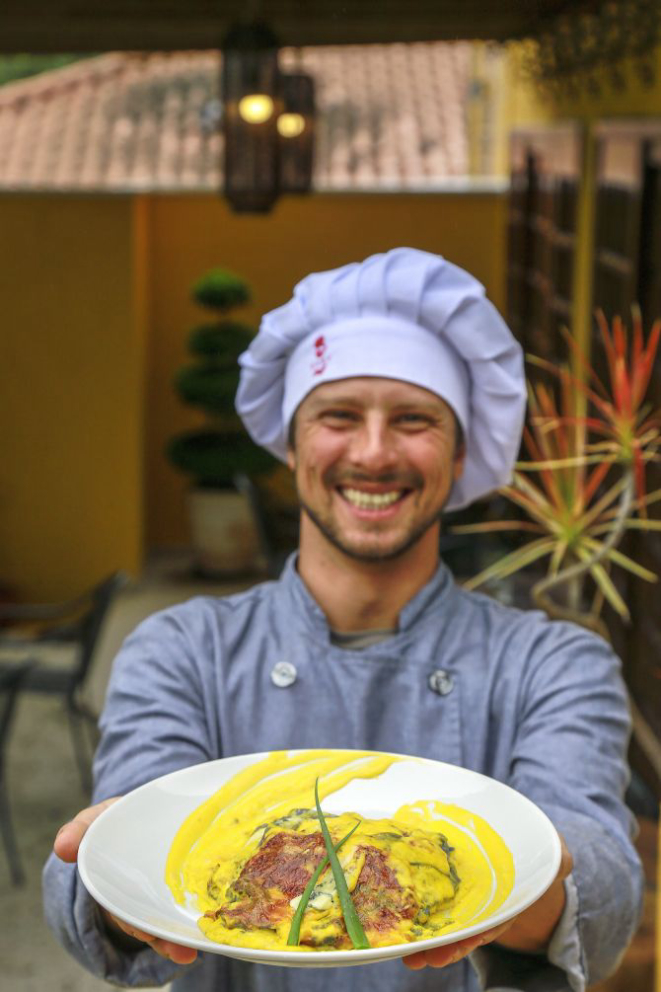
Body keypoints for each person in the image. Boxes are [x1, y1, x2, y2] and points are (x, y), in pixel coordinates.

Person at [43, 248, 643, 992]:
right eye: (337, 416)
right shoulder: (182, 648)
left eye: (414, 419)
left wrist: (522, 883)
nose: (372, 452)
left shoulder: (552, 661)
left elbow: (605, 892)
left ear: (459, 454)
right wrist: (113, 873)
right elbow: (114, 859)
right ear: (289, 445)